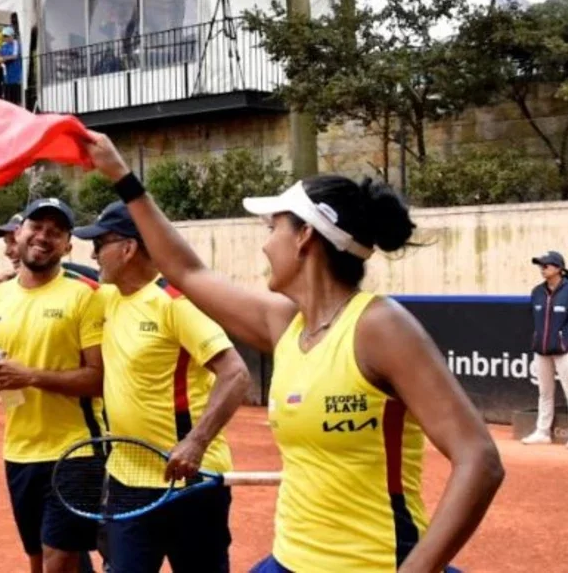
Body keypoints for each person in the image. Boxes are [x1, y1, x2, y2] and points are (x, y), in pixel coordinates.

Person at [80, 131, 505, 572]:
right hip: (291, 560)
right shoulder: (287, 325)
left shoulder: (379, 326)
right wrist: (121, 176)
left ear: (304, 236)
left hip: (372, 562)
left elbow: (480, 459)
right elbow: (186, 270)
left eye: (272, 229)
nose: (265, 244)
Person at [73, 201, 251, 572]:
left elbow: (235, 373)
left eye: (100, 243)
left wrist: (196, 442)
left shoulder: (175, 303)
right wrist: (9, 279)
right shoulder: (107, 297)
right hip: (126, 478)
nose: (93, 253)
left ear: (128, 248)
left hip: (189, 482)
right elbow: (67, 275)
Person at [0, 197, 106, 573]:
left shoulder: (84, 296)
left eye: (55, 232)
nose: (44, 237)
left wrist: (30, 376)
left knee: (58, 560)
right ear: (20, 233)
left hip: (77, 449)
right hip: (20, 452)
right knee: (39, 559)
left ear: (67, 246)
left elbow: (99, 378)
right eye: (37, 227)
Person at [0, 211, 99, 296]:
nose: (7, 252)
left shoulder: (81, 280)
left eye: (13, 241)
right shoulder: (4, 292)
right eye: (6, 243)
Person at [524, 251, 568, 445]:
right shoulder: (537, 292)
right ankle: (542, 432)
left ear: (559, 268)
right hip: (541, 350)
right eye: (540, 265)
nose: (542, 268)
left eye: (546, 265)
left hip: (565, 350)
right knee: (545, 392)